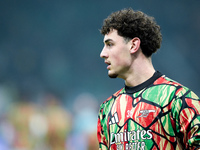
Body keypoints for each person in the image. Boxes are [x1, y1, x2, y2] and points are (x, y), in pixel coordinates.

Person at [97, 8, 200, 150]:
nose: (102, 53)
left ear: (133, 45)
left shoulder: (179, 99)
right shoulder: (106, 109)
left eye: (110, 44)